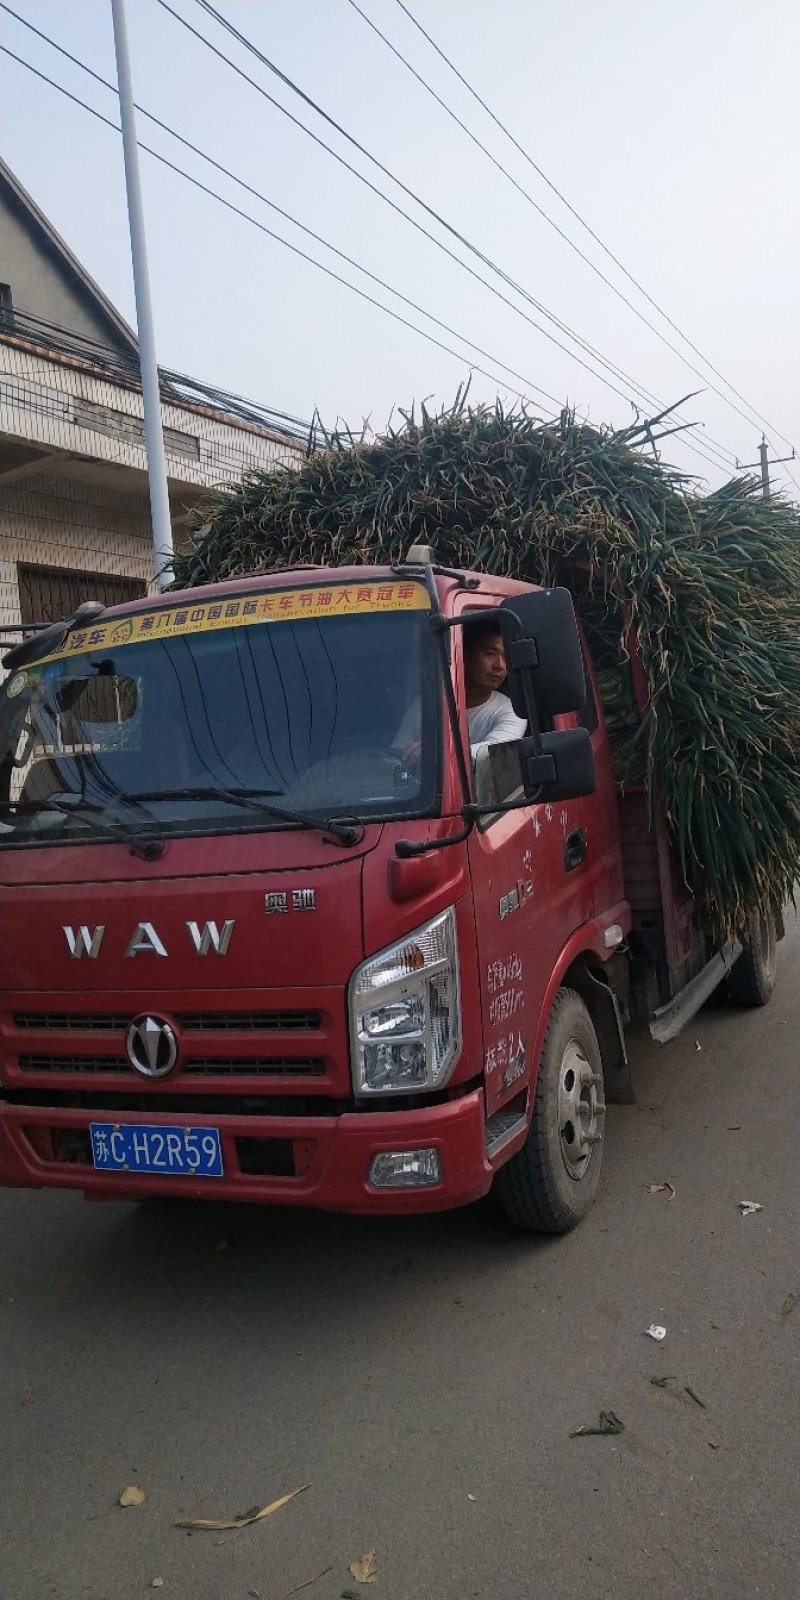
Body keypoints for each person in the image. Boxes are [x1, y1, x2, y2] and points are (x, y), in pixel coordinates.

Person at [464, 616, 527, 755]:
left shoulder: (512, 711)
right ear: (466, 656)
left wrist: (436, 754)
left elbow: (490, 755)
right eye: (490, 654)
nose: (500, 666)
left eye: (506, 658)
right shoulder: (432, 705)